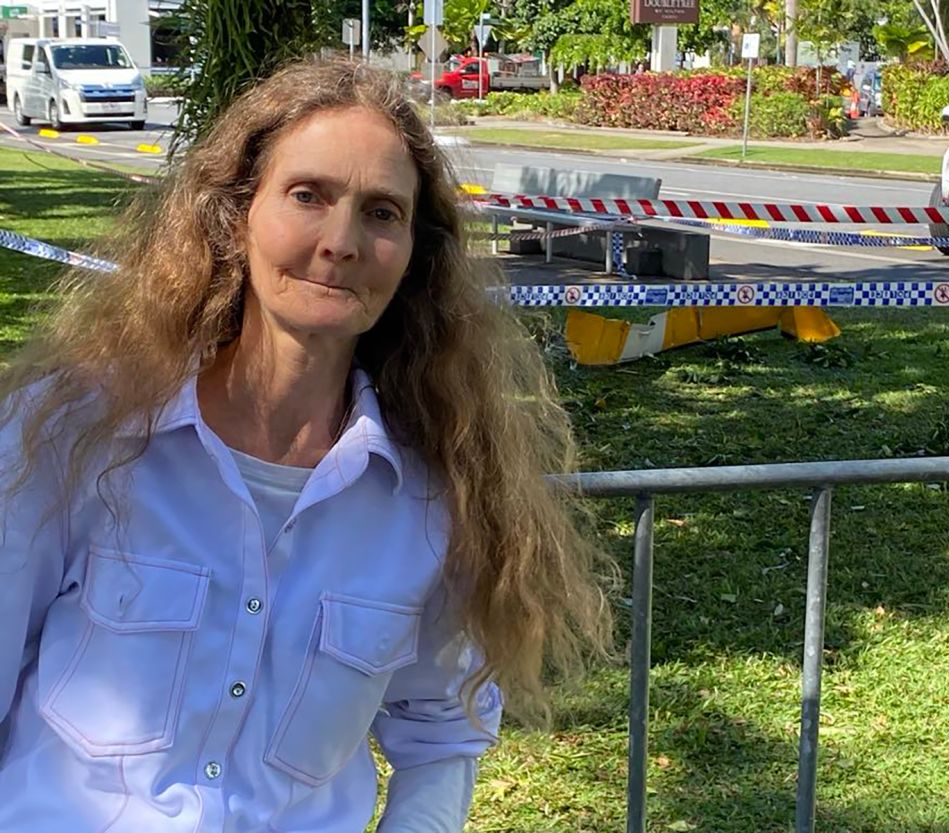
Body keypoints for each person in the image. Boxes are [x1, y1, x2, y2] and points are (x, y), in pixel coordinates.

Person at [0, 59, 614, 832]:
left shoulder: (431, 496)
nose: (341, 241)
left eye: (382, 213)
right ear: (235, 215)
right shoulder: (72, 433)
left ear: (414, 253)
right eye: (308, 195)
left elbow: (441, 730)